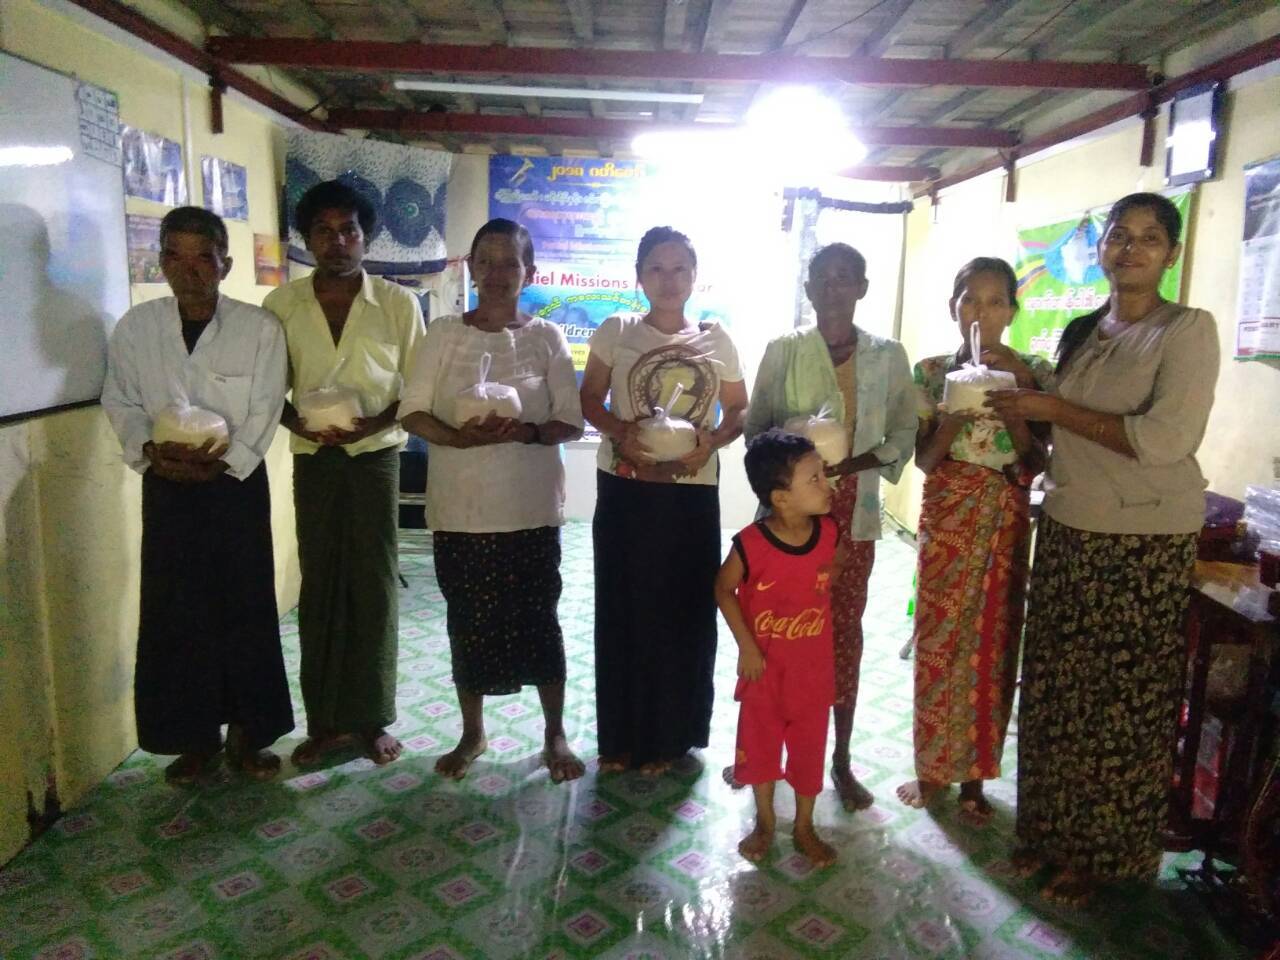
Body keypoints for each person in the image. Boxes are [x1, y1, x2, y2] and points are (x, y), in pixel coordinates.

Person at [987, 192, 1219, 905]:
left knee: (1117, 703)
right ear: (1100, 248)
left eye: (1150, 238)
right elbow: (1062, 432)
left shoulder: (1186, 330)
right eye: (1120, 235)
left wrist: (1052, 406)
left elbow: (1165, 440)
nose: (1131, 249)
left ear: (1172, 253)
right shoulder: (1086, 328)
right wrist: (1018, 391)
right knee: (1055, 690)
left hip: (1141, 542)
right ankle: (1047, 832)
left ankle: (1100, 855)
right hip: (1069, 524)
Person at [101, 206, 293, 784]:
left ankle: (249, 735)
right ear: (160, 262)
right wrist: (151, 451)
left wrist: (224, 464)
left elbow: (266, 407)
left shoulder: (259, 329)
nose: (189, 271)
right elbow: (121, 401)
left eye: (203, 258)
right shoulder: (136, 329)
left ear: (224, 264)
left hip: (234, 487)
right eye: (174, 257)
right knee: (176, 612)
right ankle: (193, 739)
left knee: (244, 607)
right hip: (166, 487)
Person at [400, 218, 585, 783]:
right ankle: (472, 733)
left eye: (511, 262)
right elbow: (412, 411)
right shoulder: (443, 334)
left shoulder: (546, 338)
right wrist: (457, 438)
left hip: (530, 507)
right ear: (471, 269)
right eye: (487, 261)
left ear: (529, 272)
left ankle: (554, 734)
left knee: (539, 620)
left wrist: (524, 431)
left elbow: (570, 421)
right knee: (468, 623)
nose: (497, 273)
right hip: (462, 510)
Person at [742, 242, 916, 810]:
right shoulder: (784, 350)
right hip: (788, 518)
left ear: (862, 287)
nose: (834, 287)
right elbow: (756, 431)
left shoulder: (887, 356)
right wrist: (797, 460)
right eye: (823, 277)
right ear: (809, 287)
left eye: (845, 278)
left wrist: (850, 464)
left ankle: (837, 758)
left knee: (840, 637)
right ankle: (761, 751)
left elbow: (903, 433)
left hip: (852, 515)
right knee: (775, 633)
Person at [264, 180, 425, 767]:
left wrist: (372, 425)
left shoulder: (398, 304)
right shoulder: (282, 306)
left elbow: (418, 388)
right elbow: (267, 387)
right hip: (314, 461)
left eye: (348, 230)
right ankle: (325, 723)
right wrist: (299, 426)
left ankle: (371, 719)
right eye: (324, 231)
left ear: (366, 237)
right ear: (307, 240)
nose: (337, 242)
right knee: (322, 585)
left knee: (372, 584)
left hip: (375, 457)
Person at [581, 226, 748, 776]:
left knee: (683, 611)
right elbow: (590, 398)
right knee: (622, 608)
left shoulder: (716, 339)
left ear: (695, 276)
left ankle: (672, 738)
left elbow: (739, 408)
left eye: (680, 269)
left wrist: (710, 443)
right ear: (639, 276)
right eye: (656, 268)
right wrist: (620, 433)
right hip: (625, 488)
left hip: (690, 493)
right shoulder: (618, 330)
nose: (668, 279)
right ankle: (622, 738)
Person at [895, 257, 1053, 823]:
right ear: (953, 307)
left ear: (1012, 310)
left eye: (994, 301)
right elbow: (924, 460)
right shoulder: (931, 372)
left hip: (1003, 519)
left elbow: (1036, 461)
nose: (981, 312)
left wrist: (1014, 402)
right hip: (948, 518)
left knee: (993, 644)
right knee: (938, 641)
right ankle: (932, 768)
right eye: (969, 299)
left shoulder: (1034, 372)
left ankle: (975, 778)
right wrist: (957, 413)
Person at [717, 430, 844, 868]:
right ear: (781, 498)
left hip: (813, 675)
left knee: (809, 752)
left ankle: (804, 826)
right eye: (815, 478)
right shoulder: (751, 544)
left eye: (823, 474)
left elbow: (835, 569)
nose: (827, 485)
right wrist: (746, 646)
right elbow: (723, 588)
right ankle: (766, 821)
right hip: (764, 675)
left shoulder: (830, 533)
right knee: (761, 750)